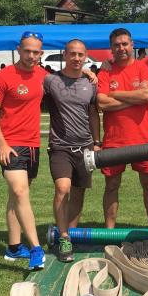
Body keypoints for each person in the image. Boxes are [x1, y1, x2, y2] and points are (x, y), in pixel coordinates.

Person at [0, 31, 47, 271]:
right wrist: (1, 143)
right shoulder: (2, 77)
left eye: (35, 52)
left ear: (41, 53)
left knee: (15, 196)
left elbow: (66, 79)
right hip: (10, 144)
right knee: (20, 191)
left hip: (33, 144)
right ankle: (36, 249)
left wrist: (89, 72)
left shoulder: (43, 75)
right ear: (18, 50)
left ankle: (13, 247)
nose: (31, 56)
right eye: (27, 51)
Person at [44, 39, 101, 262]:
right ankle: (64, 236)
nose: (76, 58)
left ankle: (70, 233)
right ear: (65, 55)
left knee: (78, 191)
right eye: (72, 54)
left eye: (80, 55)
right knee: (63, 188)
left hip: (85, 146)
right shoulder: (50, 80)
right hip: (60, 146)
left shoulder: (91, 83)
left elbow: (93, 113)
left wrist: (97, 142)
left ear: (85, 56)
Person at [97, 28, 148, 229]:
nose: (121, 48)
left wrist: (115, 93)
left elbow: (147, 96)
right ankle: (109, 233)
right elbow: (102, 103)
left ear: (132, 45)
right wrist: (134, 97)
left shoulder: (143, 68)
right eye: (116, 45)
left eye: (124, 44)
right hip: (115, 140)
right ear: (111, 48)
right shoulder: (106, 71)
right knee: (111, 186)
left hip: (143, 138)